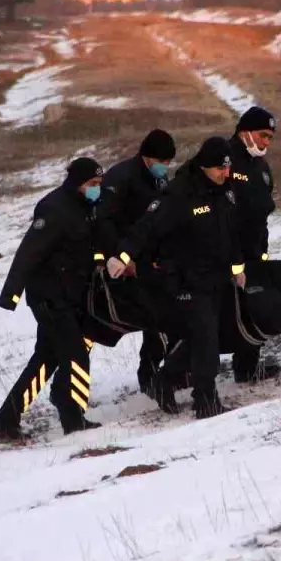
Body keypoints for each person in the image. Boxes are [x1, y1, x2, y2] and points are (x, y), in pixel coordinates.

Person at [107, 137, 245, 419]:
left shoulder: (225, 190)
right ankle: (206, 401)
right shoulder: (180, 193)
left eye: (228, 168)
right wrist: (122, 256)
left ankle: (162, 381)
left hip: (216, 277)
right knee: (206, 339)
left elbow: (232, 233)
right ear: (205, 166)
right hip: (186, 279)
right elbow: (147, 227)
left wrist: (237, 267)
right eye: (220, 169)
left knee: (204, 336)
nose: (226, 174)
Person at [0, 158, 105, 439]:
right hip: (50, 298)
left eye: (99, 185)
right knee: (76, 354)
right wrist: (11, 295)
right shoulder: (55, 209)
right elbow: (29, 252)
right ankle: (73, 418)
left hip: (69, 295)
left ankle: (7, 418)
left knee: (47, 359)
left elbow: (88, 245)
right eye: (92, 184)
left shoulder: (85, 207)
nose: (96, 190)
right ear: (78, 183)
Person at [96, 129, 177, 395]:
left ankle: (161, 372)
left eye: (168, 163)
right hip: (127, 263)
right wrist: (119, 256)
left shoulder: (160, 181)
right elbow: (105, 221)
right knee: (155, 317)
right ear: (148, 157)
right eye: (162, 162)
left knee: (163, 317)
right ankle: (150, 376)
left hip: (153, 261)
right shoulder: (121, 177)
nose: (165, 167)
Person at [227, 106, 281, 383]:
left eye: (270, 137)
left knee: (254, 307)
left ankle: (247, 367)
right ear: (244, 131)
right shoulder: (224, 158)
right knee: (216, 311)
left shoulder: (261, 166)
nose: (265, 142)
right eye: (262, 135)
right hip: (223, 251)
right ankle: (185, 371)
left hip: (254, 249)